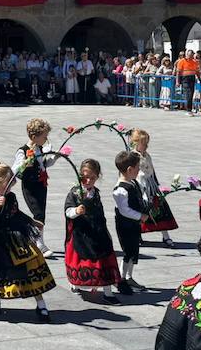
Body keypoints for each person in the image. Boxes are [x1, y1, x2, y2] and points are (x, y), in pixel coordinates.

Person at [0, 162, 54, 319]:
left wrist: (33, 222)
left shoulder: (10, 197)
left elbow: (16, 213)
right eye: (8, 182)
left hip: (16, 239)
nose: (10, 186)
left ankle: (41, 304)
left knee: (31, 266)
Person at [63, 158, 120, 303]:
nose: (88, 181)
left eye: (92, 178)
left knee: (105, 259)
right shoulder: (75, 193)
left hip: (98, 232)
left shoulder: (96, 193)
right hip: (81, 233)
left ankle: (108, 292)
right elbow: (67, 211)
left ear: (97, 176)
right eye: (84, 177)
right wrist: (76, 211)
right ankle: (75, 284)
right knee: (81, 260)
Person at [14, 118, 58, 258]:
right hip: (30, 187)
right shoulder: (23, 151)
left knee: (41, 214)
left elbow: (43, 164)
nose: (46, 139)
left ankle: (35, 240)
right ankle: (40, 244)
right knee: (38, 214)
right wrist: (24, 163)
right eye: (44, 136)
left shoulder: (39, 149)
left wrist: (56, 157)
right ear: (34, 137)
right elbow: (16, 168)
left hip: (41, 185)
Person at [129, 128, 177, 245]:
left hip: (151, 185)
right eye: (143, 144)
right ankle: (137, 234)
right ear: (136, 143)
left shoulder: (147, 155)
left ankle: (165, 235)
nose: (146, 146)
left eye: (146, 144)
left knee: (159, 207)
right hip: (139, 186)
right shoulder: (132, 156)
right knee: (139, 210)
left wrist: (156, 183)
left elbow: (152, 169)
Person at [111, 150, 149, 293]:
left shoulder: (132, 182)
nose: (139, 169)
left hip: (133, 224)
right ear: (129, 169)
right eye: (137, 167)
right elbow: (124, 210)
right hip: (125, 225)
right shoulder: (120, 190)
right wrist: (140, 216)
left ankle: (129, 276)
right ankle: (122, 278)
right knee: (128, 251)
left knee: (133, 251)